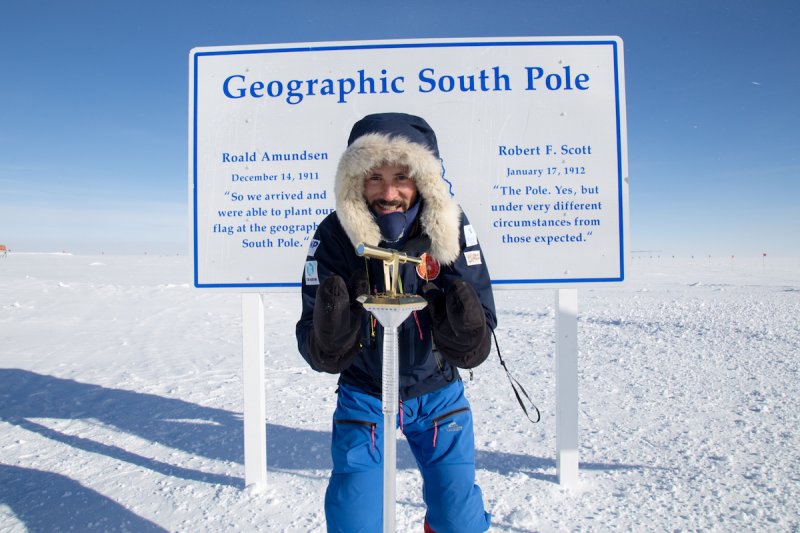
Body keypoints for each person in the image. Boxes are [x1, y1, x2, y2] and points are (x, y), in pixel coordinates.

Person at [296, 112, 496, 533]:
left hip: (437, 392)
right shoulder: (335, 235)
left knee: (458, 521)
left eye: (402, 177)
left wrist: (468, 334)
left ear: (422, 180)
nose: (389, 192)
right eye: (375, 177)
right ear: (356, 180)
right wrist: (331, 338)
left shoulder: (449, 228)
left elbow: (482, 321)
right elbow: (312, 332)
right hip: (365, 395)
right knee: (354, 522)